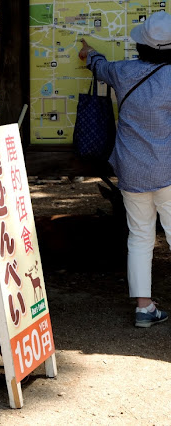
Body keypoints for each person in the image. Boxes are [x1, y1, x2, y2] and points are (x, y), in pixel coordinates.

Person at [78, 11, 171, 327]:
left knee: (140, 237)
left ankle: (144, 308)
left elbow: (97, 64)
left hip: (131, 171)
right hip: (168, 171)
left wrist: (88, 52)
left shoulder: (124, 72)